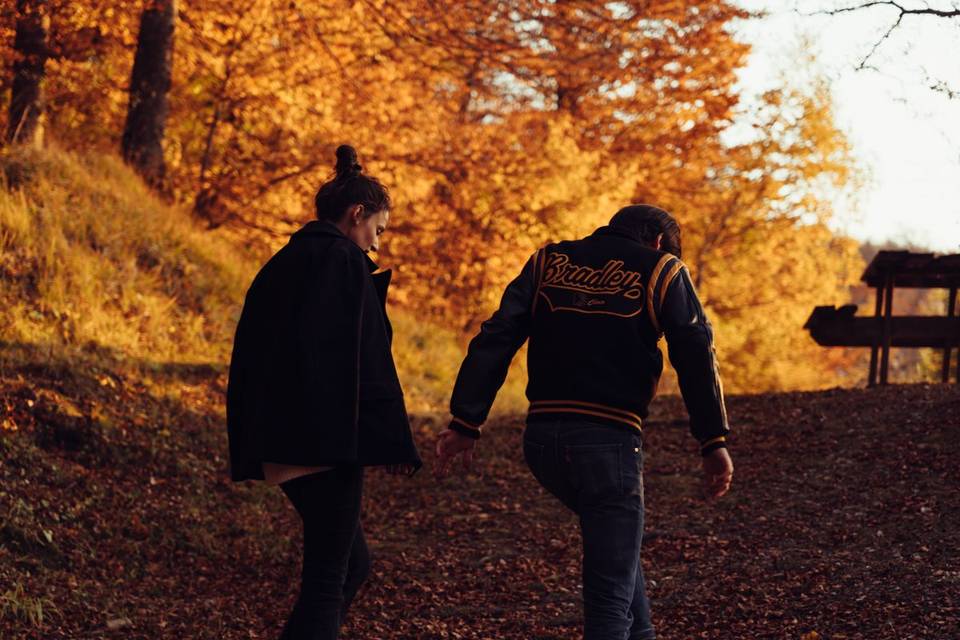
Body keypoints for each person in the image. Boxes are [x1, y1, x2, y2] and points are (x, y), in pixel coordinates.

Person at [435, 204, 733, 640]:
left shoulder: (547, 261)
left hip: (542, 443)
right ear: (656, 243)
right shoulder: (664, 270)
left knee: (617, 552)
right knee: (608, 597)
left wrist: (465, 421)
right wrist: (713, 440)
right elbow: (694, 351)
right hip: (607, 442)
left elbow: (496, 336)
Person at [226, 145, 421, 639]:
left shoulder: (282, 263)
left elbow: (252, 354)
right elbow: (363, 358)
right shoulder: (343, 262)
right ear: (356, 214)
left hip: (281, 438)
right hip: (324, 444)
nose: (376, 245)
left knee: (350, 566)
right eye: (377, 230)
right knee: (328, 580)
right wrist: (394, 439)